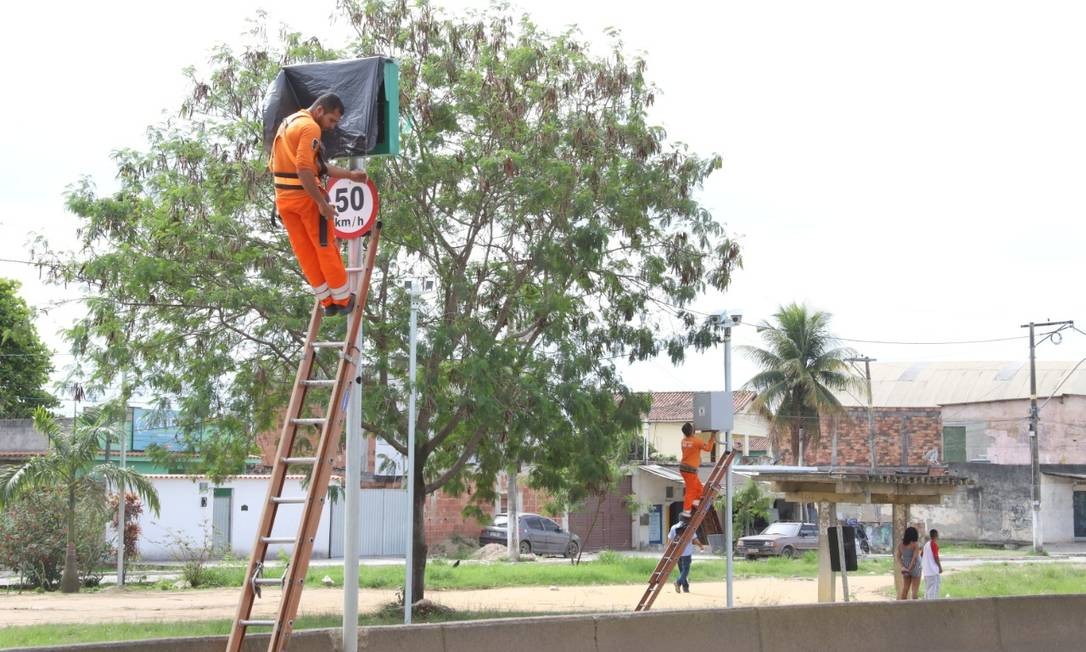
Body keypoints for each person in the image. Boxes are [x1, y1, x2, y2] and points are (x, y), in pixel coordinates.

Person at [270, 93, 370, 316]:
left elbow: (318, 166)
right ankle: (343, 300)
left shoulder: (289, 123)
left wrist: (349, 175)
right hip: (306, 199)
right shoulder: (310, 128)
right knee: (325, 248)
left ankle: (327, 301)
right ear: (320, 111)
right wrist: (321, 204)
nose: (332, 127)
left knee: (305, 251)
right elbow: (304, 170)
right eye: (331, 121)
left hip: (284, 201)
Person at [679, 422, 714, 512]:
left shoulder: (683, 441)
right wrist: (712, 436)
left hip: (684, 468)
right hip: (690, 470)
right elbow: (709, 448)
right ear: (692, 431)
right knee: (691, 491)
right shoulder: (696, 441)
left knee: (699, 488)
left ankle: (697, 502)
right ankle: (687, 510)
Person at [668, 512, 704, 593]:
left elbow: (670, 540)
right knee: (686, 570)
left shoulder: (674, 527)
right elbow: (694, 540)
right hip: (686, 553)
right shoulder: (689, 528)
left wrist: (670, 551)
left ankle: (685, 588)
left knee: (682, 571)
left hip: (677, 552)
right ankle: (678, 582)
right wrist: (701, 546)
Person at [895, 526, 921, 600]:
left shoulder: (900, 544)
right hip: (915, 567)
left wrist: (903, 567)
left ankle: (902, 606)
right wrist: (909, 569)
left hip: (905, 567)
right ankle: (914, 608)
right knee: (915, 590)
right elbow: (914, 558)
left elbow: (898, 557)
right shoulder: (915, 544)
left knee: (905, 589)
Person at [920, 528, 943, 599]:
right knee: (933, 591)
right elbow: (936, 557)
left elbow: (921, 555)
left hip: (927, 572)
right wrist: (940, 567)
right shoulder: (934, 545)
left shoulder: (926, 544)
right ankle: (932, 606)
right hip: (933, 572)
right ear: (936, 535)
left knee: (927, 590)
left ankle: (926, 605)